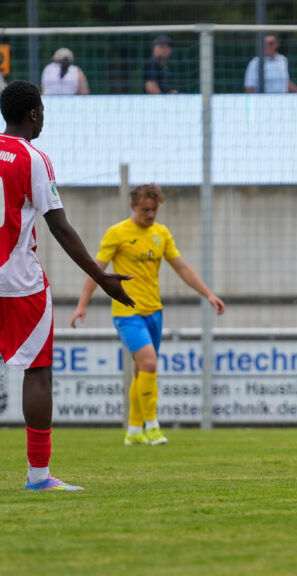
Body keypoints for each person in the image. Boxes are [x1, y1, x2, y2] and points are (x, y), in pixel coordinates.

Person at [0, 80, 134, 490]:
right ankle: (38, 475)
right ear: (34, 113)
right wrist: (101, 277)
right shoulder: (33, 158)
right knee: (37, 373)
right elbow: (58, 225)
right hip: (18, 282)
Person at [70, 184, 226, 446]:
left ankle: (133, 430)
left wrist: (208, 294)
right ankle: (152, 427)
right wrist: (81, 304)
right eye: (145, 210)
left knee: (141, 370)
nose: (151, 215)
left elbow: (182, 268)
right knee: (150, 363)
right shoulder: (117, 233)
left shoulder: (161, 234)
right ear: (133, 207)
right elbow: (97, 271)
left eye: (154, 210)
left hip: (154, 311)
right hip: (126, 312)